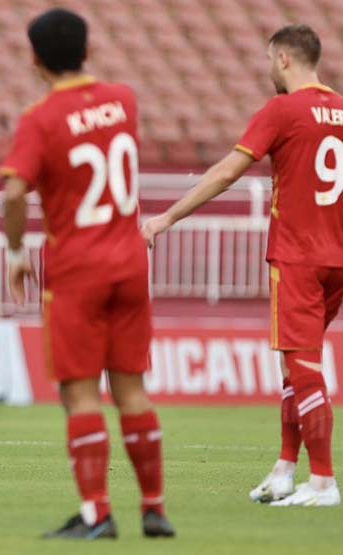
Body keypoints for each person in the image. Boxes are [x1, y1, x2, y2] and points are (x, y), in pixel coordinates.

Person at [142, 24, 341, 507]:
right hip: (337, 255)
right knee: (296, 367)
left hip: (298, 255)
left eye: (270, 60)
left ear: (285, 60)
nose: (268, 68)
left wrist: (166, 217)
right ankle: (283, 470)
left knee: (304, 368)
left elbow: (229, 170)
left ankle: (322, 482)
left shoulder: (283, 109)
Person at [2, 8, 175, 539]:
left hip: (78, 269)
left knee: (79, 394)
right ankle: (154, 508)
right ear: (87, 49)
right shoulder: (124, 101)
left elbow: (13, 192)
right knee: (132, 390)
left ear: (34, 58)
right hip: (129, 263)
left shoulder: (41, 118)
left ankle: (97, 513)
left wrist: (14, 252)